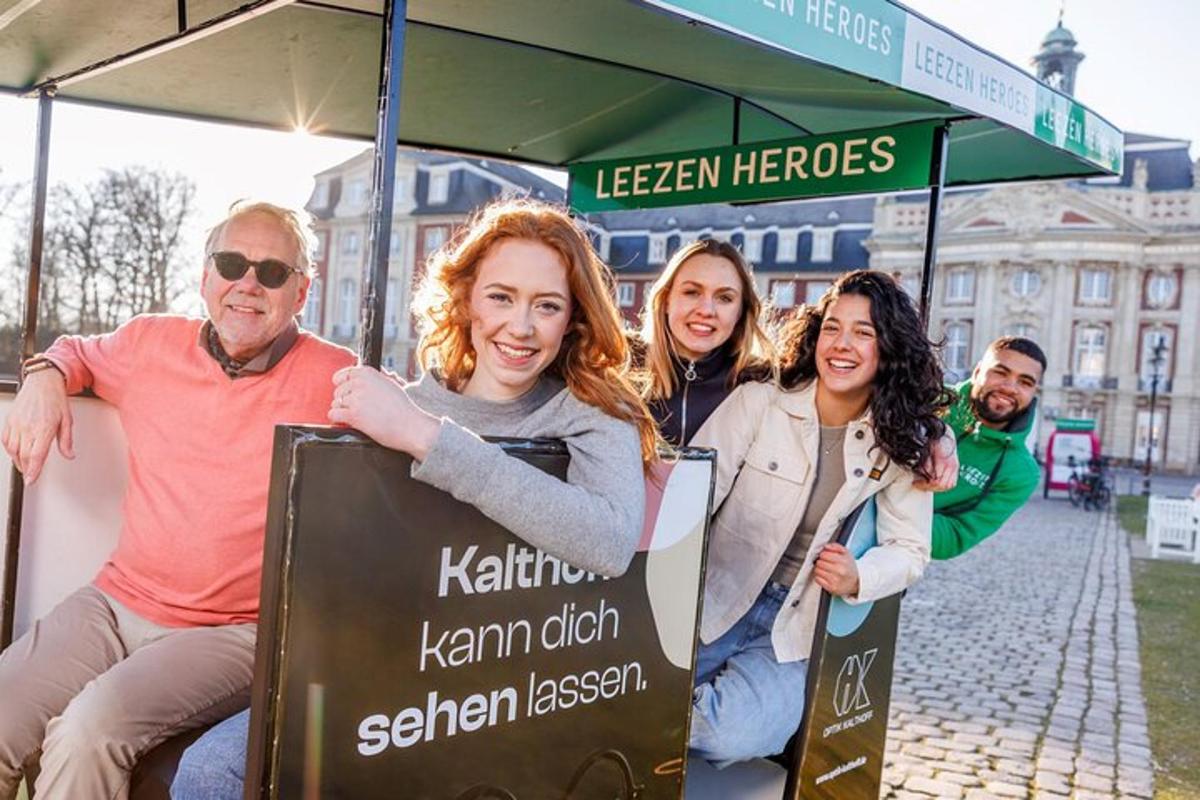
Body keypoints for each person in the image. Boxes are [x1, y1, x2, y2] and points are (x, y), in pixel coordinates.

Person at [170, 197, 656, 799]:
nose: (521, 327)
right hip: (388, 674)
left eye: (547, 305)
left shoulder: (589, 411)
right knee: (211, 771)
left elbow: (609, 541)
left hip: (512, 686)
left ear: (572, 317)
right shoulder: (409, 403)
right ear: (467, 300)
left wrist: (427, 440)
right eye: (501, 297)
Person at [0, 201, 355, 799]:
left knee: (87, 732)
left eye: (272, 272)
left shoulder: (336, 376)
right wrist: (44, 374)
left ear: (301, 292)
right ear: (206, 275)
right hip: (114, 602)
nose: (248, 284)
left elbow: (414, 428)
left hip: (232, 633)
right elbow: (75, 352)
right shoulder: (149, 342)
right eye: (232, 264)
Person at [687, 270, 950, 764]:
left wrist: (859, 576)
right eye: (832, 327)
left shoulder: (904, 443)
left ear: (889, 348)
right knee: (637, 687)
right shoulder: (762, 401)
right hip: (717, 596)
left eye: (863, 332)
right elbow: (693, 492)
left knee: (729, 736)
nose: (841, 344)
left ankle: (660, 723)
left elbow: (911, 550)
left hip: (797, 628)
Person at [636, 238, 774, 446]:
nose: (706, 310)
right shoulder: (617, 369)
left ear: (740, 312)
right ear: (666, 300)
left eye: (724, 298)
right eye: (692, 293)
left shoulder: (761, 385)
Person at [929, 336, 1046, 560]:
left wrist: (888, 515)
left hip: (892, 561)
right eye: (1000, 372)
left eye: (1025, 382)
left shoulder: (1021, 472)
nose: (1009, 387)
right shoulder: (928, 400)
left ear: (1034, 393)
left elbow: (954, 538)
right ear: (977, 372)